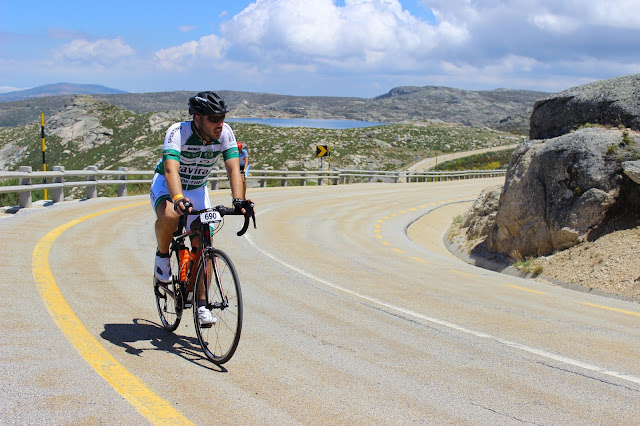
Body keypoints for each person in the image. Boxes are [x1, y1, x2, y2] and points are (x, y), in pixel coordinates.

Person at [150, 91, 252, 325]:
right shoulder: (178, 132)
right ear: (197, 118)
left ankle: (202, 305)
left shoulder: (225, 133)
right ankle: (163, 256)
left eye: (222, 118)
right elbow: (171, 170)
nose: (220, 124)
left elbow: (233, 169)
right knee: (170, 216)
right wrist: (177, 198)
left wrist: (239, 200)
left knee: (204, 241)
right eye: (214, 119)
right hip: (167, 184)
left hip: (197, 188)